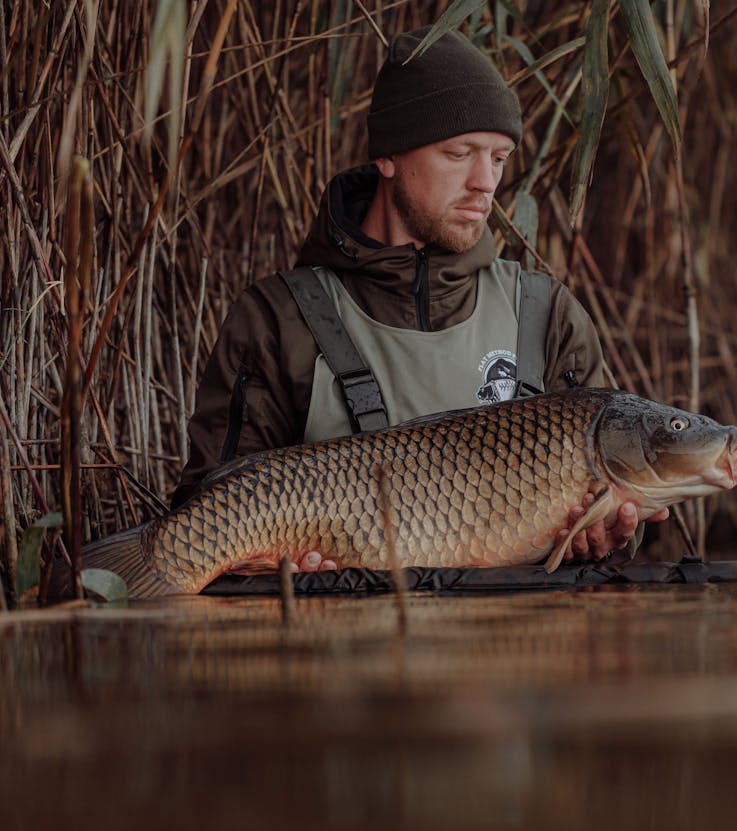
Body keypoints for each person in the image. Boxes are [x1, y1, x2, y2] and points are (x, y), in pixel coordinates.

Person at [173, 26, 666, 569]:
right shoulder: (278, 319)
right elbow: (207, 512)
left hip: (517, 643)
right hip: (341, 643)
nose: (486, 182)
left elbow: (614, 527)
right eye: (459, 153)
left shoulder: (545, 315)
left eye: (499, 158)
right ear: (388, 157)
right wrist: (261, 571)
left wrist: (607, 540)